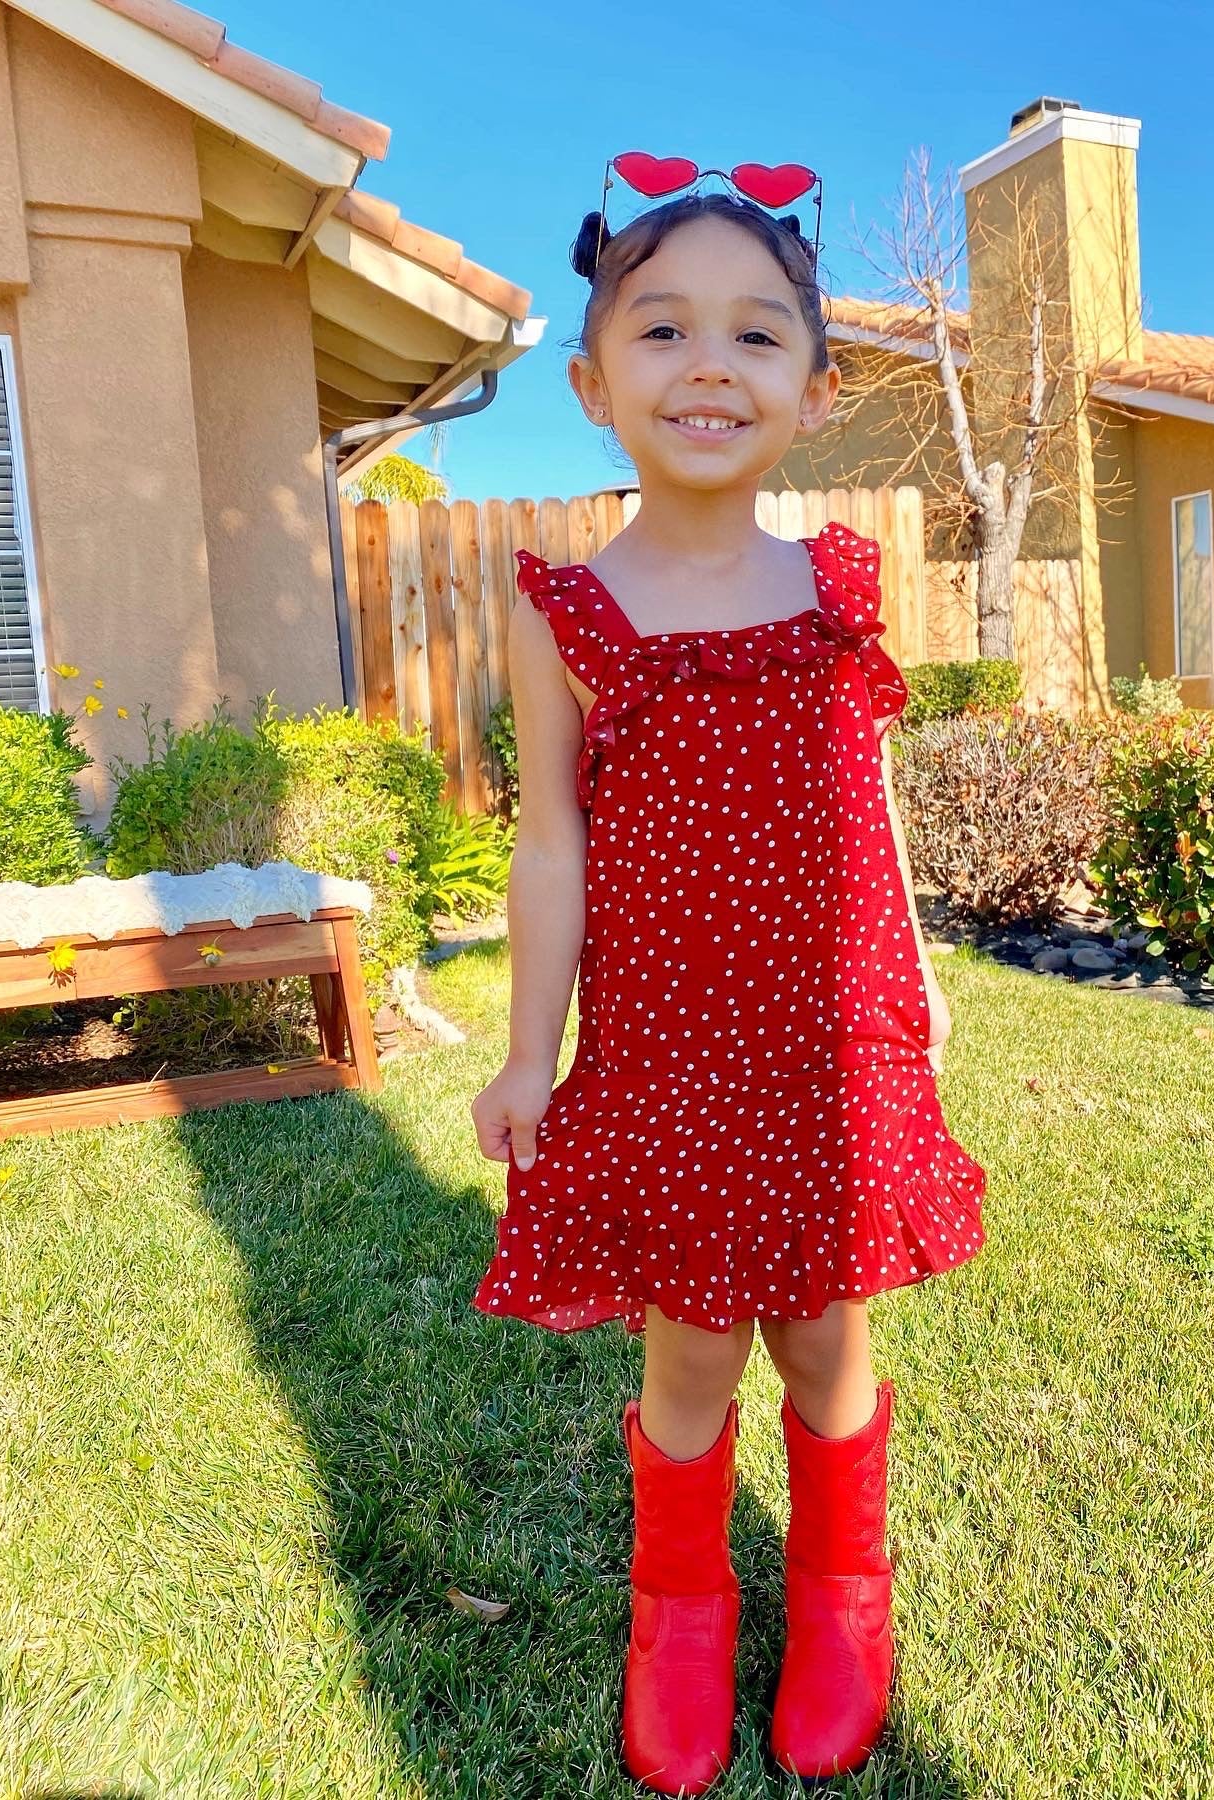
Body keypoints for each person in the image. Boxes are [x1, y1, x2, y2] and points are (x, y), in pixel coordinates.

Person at [470, 156, 987, 1796]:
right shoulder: (568, 613)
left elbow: (868, 793)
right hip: (668, 1050)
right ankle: (678, 1606)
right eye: (667, 328)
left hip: (834, 1039)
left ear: (816, 390)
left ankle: (847, 1597)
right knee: (692, 1345)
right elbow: (549, 846)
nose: (711, 366)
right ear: (593, 380)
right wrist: (524, 1055)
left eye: (758, 337)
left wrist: (918, 974)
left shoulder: (837, 586)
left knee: (825, 1335)